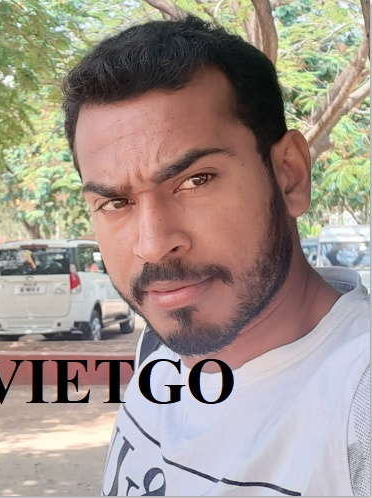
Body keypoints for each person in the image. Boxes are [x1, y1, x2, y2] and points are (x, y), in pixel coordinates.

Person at [62, 15, 370, 496]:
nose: (153, 244)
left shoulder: (357, 404)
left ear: (289, 175)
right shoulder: (160, 349)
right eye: (115, 203)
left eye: (195, 180)